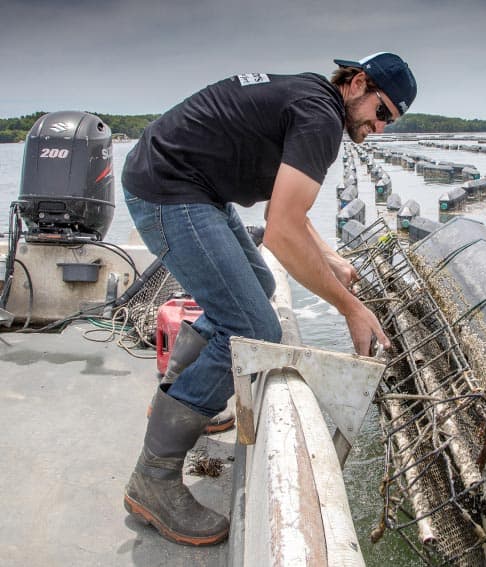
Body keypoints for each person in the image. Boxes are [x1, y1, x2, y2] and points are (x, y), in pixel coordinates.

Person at [121, 52, 416, 546]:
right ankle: (154, 477)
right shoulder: (321, 118)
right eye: (381, 112)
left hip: (192, 187)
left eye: (390, 122)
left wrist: (330, 258)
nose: (380, 128)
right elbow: (280, 233)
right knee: (255, 327)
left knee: (258, 291)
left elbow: (290, 211)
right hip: (170, 189)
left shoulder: (311, 99)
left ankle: (173, 397)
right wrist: (351, 306)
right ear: (358, 83)